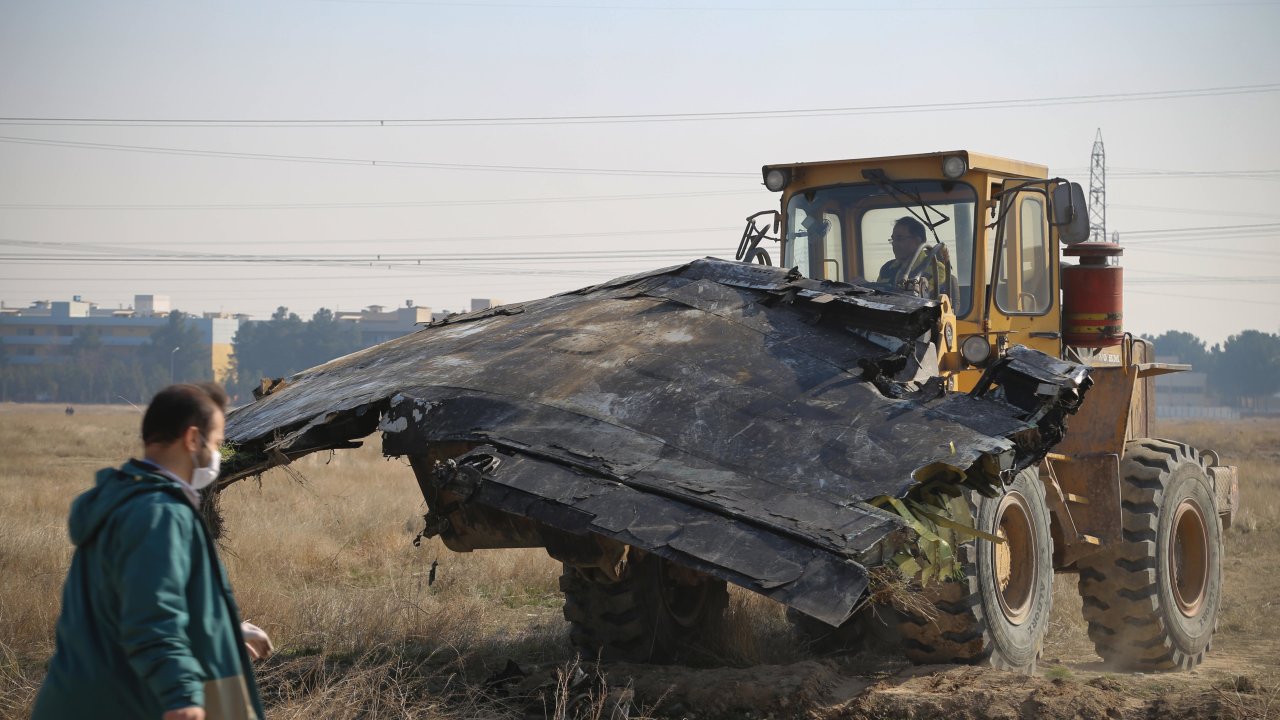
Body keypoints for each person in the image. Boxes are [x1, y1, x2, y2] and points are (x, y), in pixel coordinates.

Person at [33, 383, 270, 720]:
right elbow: (152, 617)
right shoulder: (159, 513)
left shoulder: (123, 500)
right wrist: (182, 697)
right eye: (217, 443)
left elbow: (132, 600)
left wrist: (224, 628)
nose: (218, 454)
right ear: (192, 439)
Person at [876, 216, 951, 297]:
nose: (894, 243)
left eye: (899, 238)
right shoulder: (886, 268)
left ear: (917, 241)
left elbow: (928, 298)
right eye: (893, 239)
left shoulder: (936, 269)